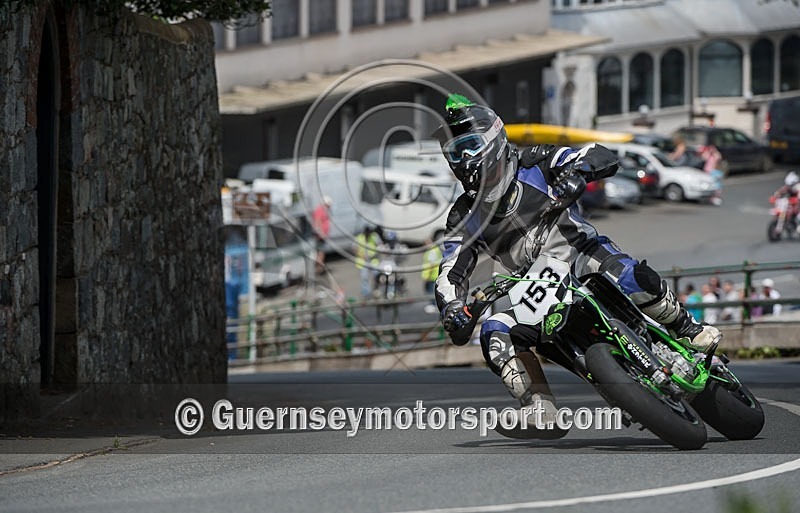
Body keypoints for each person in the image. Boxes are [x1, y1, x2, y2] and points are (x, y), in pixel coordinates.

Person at [432, 94, 721, 429]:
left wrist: (580, 172)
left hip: (582, 253)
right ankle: (539, 409)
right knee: (495, 331)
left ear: (492, 139)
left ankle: (686, 328)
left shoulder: (535, 161)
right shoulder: (463, 215)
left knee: (633, 276)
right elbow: (450, 269)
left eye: (468, 146)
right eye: (455, 153)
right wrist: (452, 308)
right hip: (534, 286)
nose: (464, 159)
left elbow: (596, 153)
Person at [354, 225, 381, 298]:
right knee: (364, 277)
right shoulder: (359, 238)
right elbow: (355, 249)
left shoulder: (374, 236)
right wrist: (361, 255)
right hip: (363, 261)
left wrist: (377, 252)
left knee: (377, 276)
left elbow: (380, 245)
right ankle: (366, 294)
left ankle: (377, 290)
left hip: (373, 260)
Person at [421, 238, 443, 314]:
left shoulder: (431, 252)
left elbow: (430, 265)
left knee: (431, 291)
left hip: (432, 275)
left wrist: (426, 276)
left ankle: (433, 305)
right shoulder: (436, 249)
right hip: (436, 273)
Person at [312, 196, 332, 275]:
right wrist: (321, 233)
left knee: (320, 251)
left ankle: (319, 267)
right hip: (320, 236)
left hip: (321, 235)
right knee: (321, 252)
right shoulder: (320, 210)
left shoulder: (323, 210)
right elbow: (318, 222)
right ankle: (319, 268)